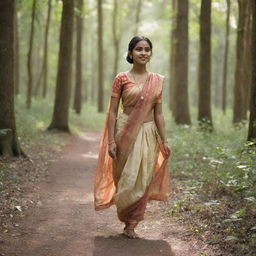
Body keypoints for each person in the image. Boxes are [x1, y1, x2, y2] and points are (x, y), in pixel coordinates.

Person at [94, 36, 171, 239]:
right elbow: (112, 112)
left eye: (147, 49)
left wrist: (164, 140)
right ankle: (126, 215)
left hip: (147, 133)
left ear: (151, 53)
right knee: (125, 178)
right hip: (123, 131)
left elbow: (159, 114)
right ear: (130, 53)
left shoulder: (157, 81)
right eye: (139, 49)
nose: (143, 53)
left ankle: (132, 224)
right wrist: (111, 140)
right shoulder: (121, 78)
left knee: (142, 177)